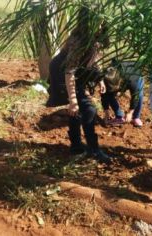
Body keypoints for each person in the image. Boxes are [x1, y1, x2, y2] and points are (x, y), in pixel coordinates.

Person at [46, 7, 111, 164]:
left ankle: (76, 146)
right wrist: (73, 99)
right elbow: (69, 72)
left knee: (80, 110)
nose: (101, 25)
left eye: (102, 21)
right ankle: (94, 150)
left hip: (76, 72)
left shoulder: (96, 39)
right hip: (62, 72)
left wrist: (100, 79)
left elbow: (93, 60)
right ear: (87, 22)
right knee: (87, 109)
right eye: (97, 21)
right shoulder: (79, 41)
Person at [101, 59, 144, 127]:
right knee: (109, 94)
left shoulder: (132, 80)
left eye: (115, 89)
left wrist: (130, 112)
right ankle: (119, 116)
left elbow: (136, 96)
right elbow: (104, 95)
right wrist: (106, 112)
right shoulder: (106, 77)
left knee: (139, 94)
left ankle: (136, 117)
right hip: (121, 73)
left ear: (119, 82)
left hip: (134, 72)